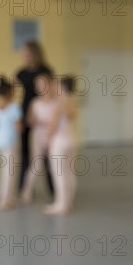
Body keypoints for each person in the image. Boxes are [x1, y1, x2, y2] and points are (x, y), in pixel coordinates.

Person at [15, 40, 54, 197]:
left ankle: (54, 187)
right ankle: (24, 187)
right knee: (24, 152)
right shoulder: (21, 72)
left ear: (33, 53)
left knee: (46, 153)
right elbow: (10, 88)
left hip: (42, 115)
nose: (23, 55)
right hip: (25, 114)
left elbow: (53, 93)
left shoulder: (46, 70)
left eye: (26, 52)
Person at [20, 72, 59, 204]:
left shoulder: (56, 102)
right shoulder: (35, 102)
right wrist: (37, 121)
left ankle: (59, 191)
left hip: (53, 136)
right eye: (38, 85)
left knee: (55, 164)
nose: (40, 87)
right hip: (37, 135)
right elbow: (29, 120)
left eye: (43, 84)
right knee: (36, 164)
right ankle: (27, 190)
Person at [44, 76, 78, 215]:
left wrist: (47, 139)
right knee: (70, 173)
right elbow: (71, 118)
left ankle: (61, 205)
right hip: (71, 140)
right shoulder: (71, 101)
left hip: (59, 143)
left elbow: (52, 125)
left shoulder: (59, 103)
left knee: (59, 174)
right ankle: (68, 202)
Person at [0, 78, 22, 210]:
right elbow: (19, 127)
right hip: (11, 141)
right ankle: (4, 200)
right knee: (9, 172)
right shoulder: (14, 108)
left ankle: (8, 197)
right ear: (11, 93)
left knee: (5, 170)